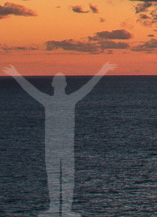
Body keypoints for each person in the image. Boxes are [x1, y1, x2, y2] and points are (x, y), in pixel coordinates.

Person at [4, 63, 115, 217]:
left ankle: (60, 208)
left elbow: (30, 88)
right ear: (63, 85)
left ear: (54, 84)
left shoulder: (53, 100)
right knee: (59, 177)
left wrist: (15, 73)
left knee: (59, 177)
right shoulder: (63, 100)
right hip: (57, 146)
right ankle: (59, 208)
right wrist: (103, 70)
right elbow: (88, 86)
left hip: (60, 146)